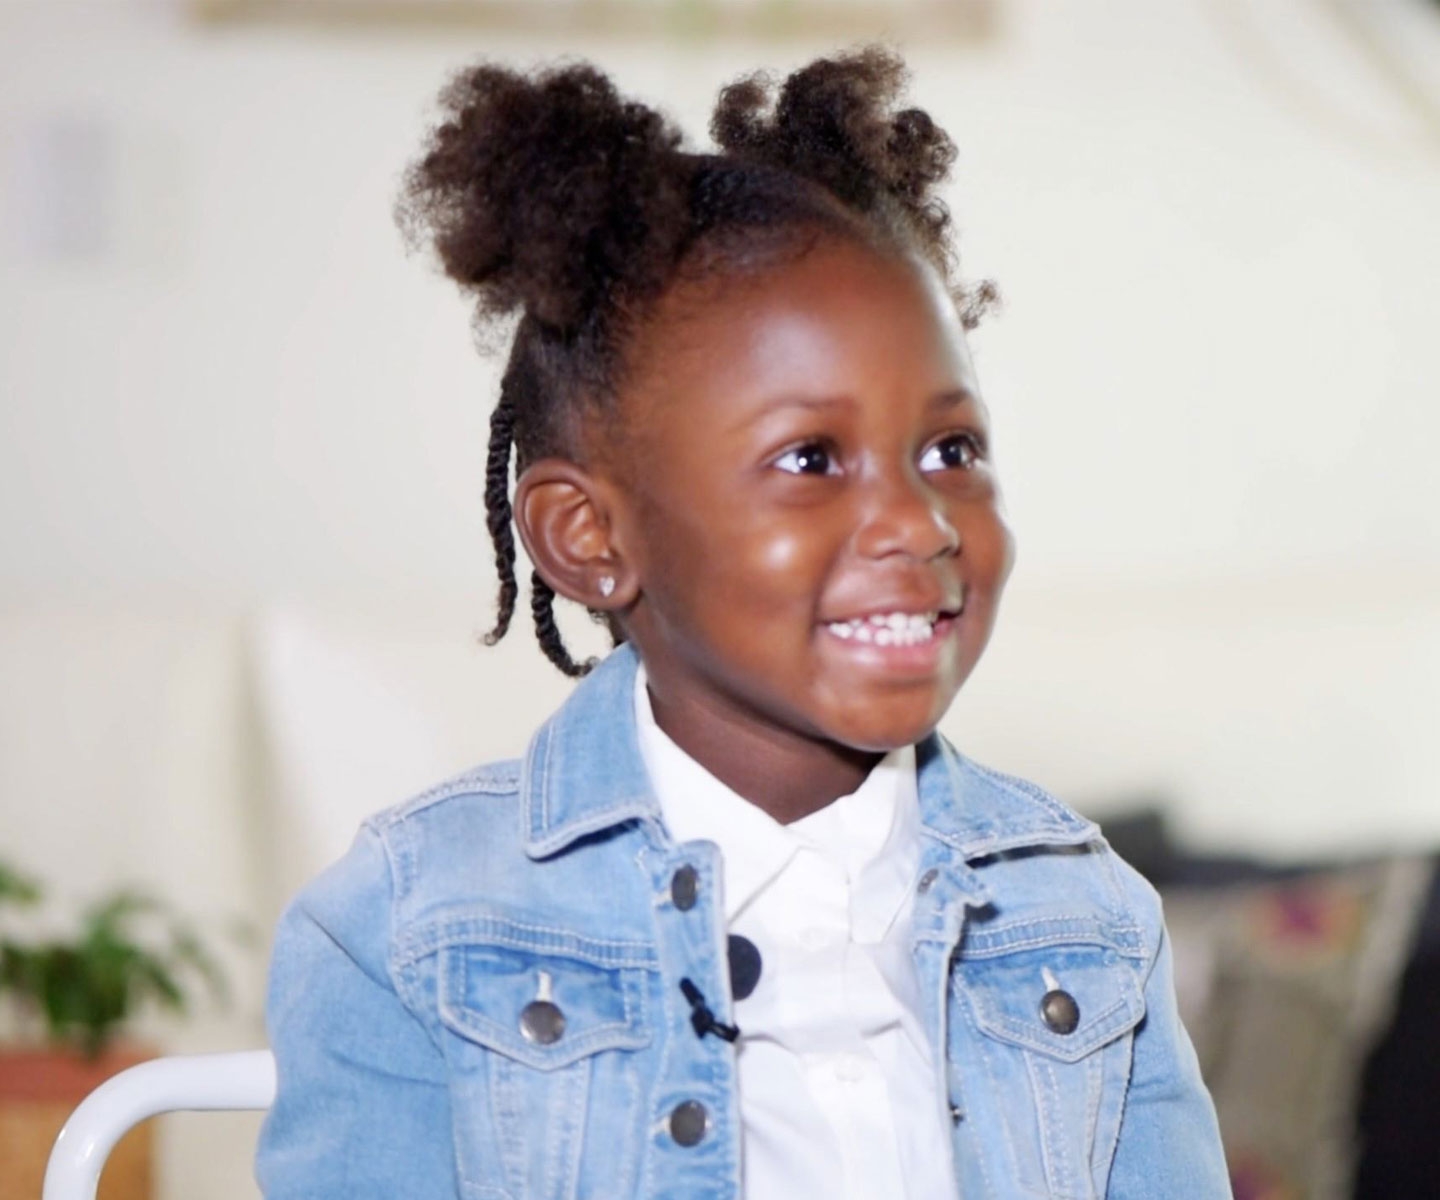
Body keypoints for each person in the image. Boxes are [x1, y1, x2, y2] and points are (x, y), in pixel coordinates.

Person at [255, 47, 1230, 1200]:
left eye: (950, 451)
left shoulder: (1090, 917)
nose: (919, 523)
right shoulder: (407, 929)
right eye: (812, 459)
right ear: (587, 536)